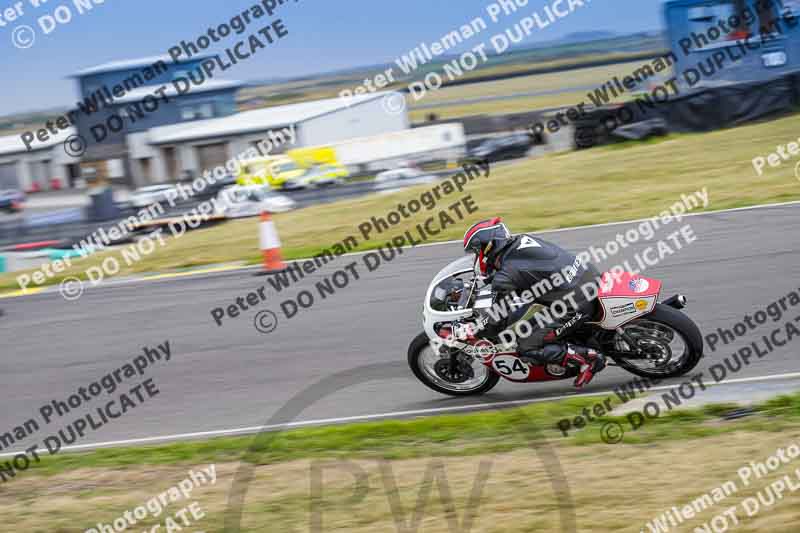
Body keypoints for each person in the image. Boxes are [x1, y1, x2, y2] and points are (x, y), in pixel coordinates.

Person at [460, 217, 606, 387]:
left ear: (489, 246)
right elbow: (520, 272)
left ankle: (591, 359)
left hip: (576, 305)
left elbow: (498, 317)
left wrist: (477, 331)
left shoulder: (508, 273)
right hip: (586, 277)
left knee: (527, 346)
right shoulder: (521, 242)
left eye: (477, 251)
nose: (477, 257)